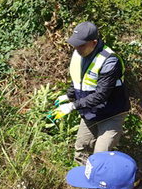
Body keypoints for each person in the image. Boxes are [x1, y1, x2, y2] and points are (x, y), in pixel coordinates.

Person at [52, 21, 130, 165]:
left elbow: (101, 95)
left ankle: (103, 186)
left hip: (112, 113)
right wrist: (68, 96)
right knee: (81, 150)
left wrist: (73, 106)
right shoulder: (78, 54)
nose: (77, 48)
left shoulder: (109, 61)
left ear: (94, 42)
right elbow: (79, 80)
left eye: (81, 45)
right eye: (75, 44)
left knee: (100, 157)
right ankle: (87, 184)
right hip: (90, 112)